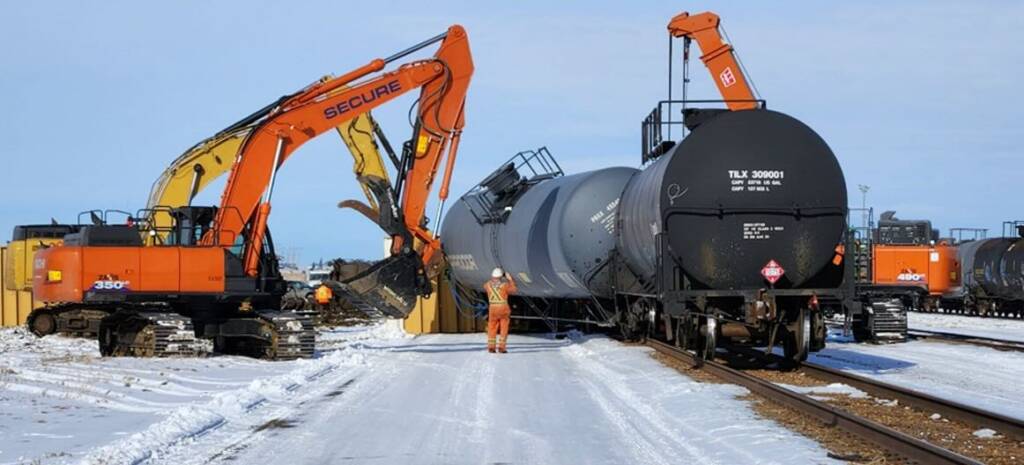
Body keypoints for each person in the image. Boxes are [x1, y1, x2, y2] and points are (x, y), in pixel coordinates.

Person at [484, 267, 517, 353]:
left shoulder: (487, 285)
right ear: (500, 277)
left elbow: (486, 286)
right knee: (504, 328)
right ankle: (502, 347)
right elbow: (514, 290)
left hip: (493, 308)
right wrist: (510, 279)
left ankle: (491, 347)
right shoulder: (505, 285)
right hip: (503, 308)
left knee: (491, 328)